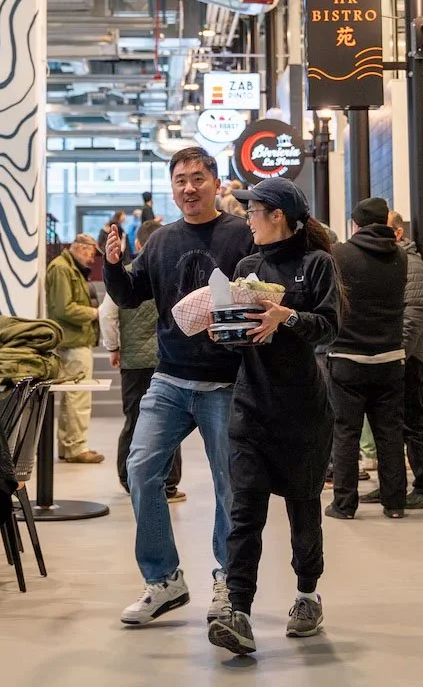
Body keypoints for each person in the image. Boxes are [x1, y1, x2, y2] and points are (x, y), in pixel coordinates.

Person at [104, 146, 251, 628]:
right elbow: (129, 295)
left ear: (214, 182)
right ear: (172, 187)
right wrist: (112, 265)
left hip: (224, 382)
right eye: (180, 180)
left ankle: (229, 581)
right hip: (168, 378)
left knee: (230, 485)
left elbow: (259, 296)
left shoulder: (241, 234)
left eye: (197, 178)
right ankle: (164, 580)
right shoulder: (162, 240)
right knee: (141, 467)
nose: (189, 187)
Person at [207, 179, 341, 657]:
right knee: (245, 512)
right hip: (251, 408)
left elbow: (328, 329)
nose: (248, 219)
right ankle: (238, 610)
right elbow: (238, 333)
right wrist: (226, 330)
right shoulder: (247, 266)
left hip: (304, 412)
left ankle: (307, 595)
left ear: (278, 215)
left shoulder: (316, 265)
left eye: (254, 211)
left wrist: (286, 316)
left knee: (302, 509)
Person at [327, 198, 408, 520]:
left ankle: (344, 505)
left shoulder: (340, 255)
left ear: (355, 224)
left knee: (345, 433)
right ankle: (395, 504)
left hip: (348, 357)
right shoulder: (400, 256)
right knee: (389, 433)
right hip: (390, 358)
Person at [99, 219, 185, 503]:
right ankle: (169, 484)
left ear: (138, 244)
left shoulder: (126, 275)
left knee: (135, 420)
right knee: (171, 421)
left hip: (134, 361)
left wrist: (113, 347)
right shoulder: (171, 272)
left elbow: (107, 314)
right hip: (167, 358)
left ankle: (128, 479)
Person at [360, 211, 423, 509]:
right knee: (390, 425)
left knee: (411, 422)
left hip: (406, 360)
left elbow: (415, 313)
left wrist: (397, 352)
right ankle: (392, 485)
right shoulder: (393, 263)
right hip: (395, 357)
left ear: (398, 233)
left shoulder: (411, 265)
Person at [45, 234, 104, 464]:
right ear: (81, 248)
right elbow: (64, 309)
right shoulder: (61, 269)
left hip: (75, 341)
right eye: (91, 252)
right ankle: (75, 447)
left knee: (74, 397)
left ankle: (69, 445)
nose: (92, 258)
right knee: (78, 397)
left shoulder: (67, 268)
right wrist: (94, 313)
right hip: (72, 342)